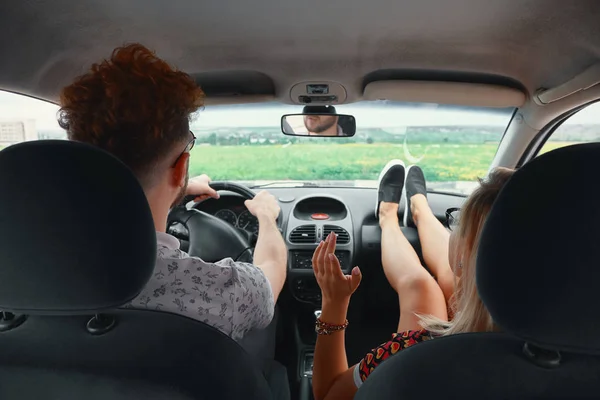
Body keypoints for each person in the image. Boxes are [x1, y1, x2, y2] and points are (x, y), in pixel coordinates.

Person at [57, 43, 287, 344]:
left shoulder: (21, 267)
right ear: (181, 168)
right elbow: (270, 272)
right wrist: (267, 217)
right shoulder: (212, 291)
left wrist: (174, 191)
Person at [311, 159, 514, 400]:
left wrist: (334, 303)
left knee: (419, 285)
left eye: (458, 223)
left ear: (463, 250)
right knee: (448, 278)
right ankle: (421, 210)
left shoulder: (409, 354)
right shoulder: (564, 356)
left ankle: (388, 216)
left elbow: (328, 395)